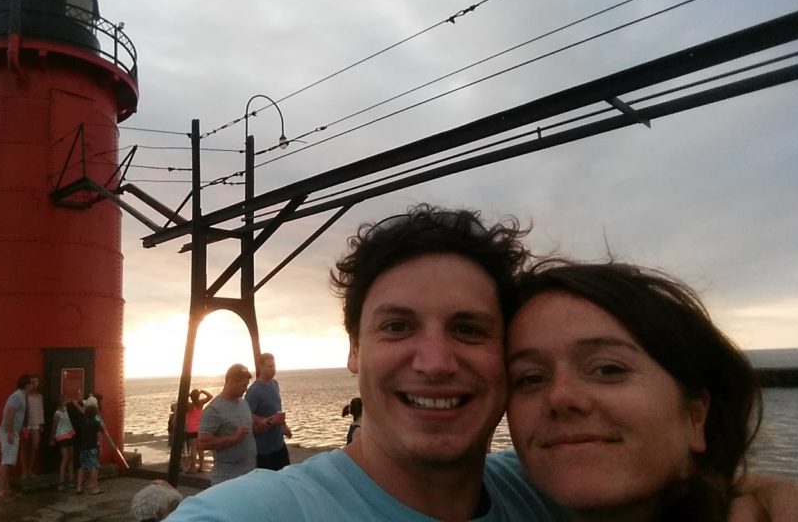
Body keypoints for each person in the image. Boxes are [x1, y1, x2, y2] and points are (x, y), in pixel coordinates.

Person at [168, 205, 556, 520]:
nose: (435, 363)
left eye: (468, 329)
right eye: (398, 326)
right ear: (354, 349)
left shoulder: (549, 490)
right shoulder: (247, 513)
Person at [506, 259, 763, 521]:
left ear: (696, 416)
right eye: (530, 378)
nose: (560, 396)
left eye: (608, 369)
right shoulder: (502, 485)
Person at [197, 363, 255, 485]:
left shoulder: (244, 404)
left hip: (249, 475)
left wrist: (265, 425)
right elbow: (202, 442)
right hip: (227, 479)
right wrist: (233, 438)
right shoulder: (214, 409)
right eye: (243, 385)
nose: (245, 389)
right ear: (230, 382)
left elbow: (248, 431)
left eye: (247, 385)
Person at [245, 352, 292, 470]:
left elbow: (277, 410)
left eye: (274, 366)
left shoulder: (274, 384)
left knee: (285, 477)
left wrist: (284, 426)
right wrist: (269, 421)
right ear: (260, 367)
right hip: (263, 450)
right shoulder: (254, 391)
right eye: (269, 367)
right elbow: (247, 414)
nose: (273, 370)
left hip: (279, 444)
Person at [0, 374, 31, 501]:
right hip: (9, 432)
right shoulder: (17, 396)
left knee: (8, 462)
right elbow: (9, 412)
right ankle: (0, 491)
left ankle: (6, 489)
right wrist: (10, 431)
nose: (34, 385)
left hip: (11, 432)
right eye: (32, 382)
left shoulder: (21, 396)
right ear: (27, 385)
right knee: (6, 462)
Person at [76, 395, 109, 495]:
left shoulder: (83, 422)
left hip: (83, 447)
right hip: (92, 447)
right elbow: (99, 435)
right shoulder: (96, 423)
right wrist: (100, 446)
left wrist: (77, 401)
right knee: (93, 467)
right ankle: (95, 488)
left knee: (82, 467)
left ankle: (79, 487)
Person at [50, 394, 76, 491]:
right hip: (62, 436)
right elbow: (54, 427)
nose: (65, 400)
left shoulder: (66, 409)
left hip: (70, 434)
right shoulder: (57, 413)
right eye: (63, 400)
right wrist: (52, 438)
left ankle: (70, 479)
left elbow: (70, 400)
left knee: (70, 458)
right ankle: (62, 481)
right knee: (65, 458)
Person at [21, 374, 44, 478]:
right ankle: (24, 471)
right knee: (24, 446)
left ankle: (30, 470)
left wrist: (41, 424)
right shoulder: (25, 396)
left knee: (35, 446)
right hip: (26, 424)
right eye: (33, 382)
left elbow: (41, 410)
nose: (35, 384)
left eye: (37, 382)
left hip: (36, 424)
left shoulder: (39, 396)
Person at [184, 388, 211, 473]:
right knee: (201, 449)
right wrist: (203, 391)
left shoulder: (189, 405)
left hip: (192, 430)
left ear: (191, 397)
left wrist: (188, 395)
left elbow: (180, 401)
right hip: (201, 429)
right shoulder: (200, 403)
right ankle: (201, 467)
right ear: (198, 396)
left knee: (193, 449)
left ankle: (193, 468)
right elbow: (210, 396)